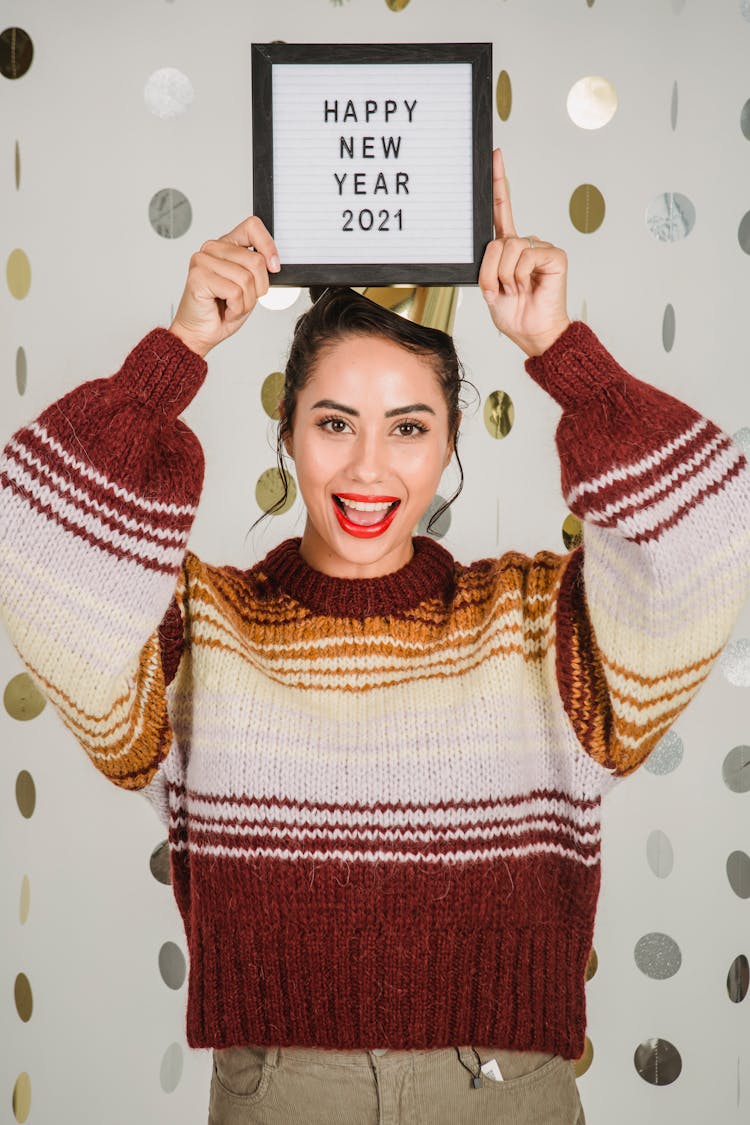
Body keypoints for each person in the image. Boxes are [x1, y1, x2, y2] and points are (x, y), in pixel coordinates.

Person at [1, 148, 749, 1125]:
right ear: (288, 435)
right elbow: (35, 557)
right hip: (282, 1090)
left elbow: (709, 543)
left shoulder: (533, 624)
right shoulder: (206, 632)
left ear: (449, 443)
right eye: (333, 423)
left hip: (502, 1088)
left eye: (407, 428)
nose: (368, 468)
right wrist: (177, 348)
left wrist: (561, 346)